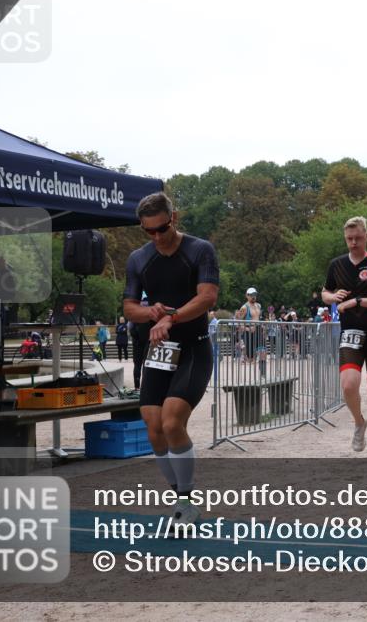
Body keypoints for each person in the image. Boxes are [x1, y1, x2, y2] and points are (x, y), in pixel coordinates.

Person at [123, 192, 219, 528]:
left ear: (173, 218)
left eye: (162, 229)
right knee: (152, 428)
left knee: (171, 422)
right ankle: (180, 496)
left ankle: (187, 500)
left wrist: (170, 318)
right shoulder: (138, 258)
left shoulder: (199, 249)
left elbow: (207, 297)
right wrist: (150, 312)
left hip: (192, 346)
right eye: (149, 231)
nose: (157, 237)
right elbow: (129, 308)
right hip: (159, 351)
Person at [322, 216, 367, 458]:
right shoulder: (336, 265)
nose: (353, 243)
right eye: (349, 239)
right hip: (350, 332)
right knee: (348, 384)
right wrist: (333, 298)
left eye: (358, 238)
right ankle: (359, 422)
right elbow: (325, 292)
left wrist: (357, 301)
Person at [240, 287, 268, 378]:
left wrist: (263, 326)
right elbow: (238, 322)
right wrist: (247, 329)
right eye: (251, 295)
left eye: (255, 294)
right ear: (246, 295)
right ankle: (251, 379)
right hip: (249, 333)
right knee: (251, 358)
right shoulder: (244, 307)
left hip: (258, 332)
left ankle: (263, 375)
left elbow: (259, 318)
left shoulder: (258, 305)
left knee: (263, 353)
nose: (253, 297)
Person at [131, 293, 151, 390]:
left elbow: (131, 329)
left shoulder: (135, 316)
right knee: (145, 365)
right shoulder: (150, 315)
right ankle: (144, 386)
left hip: (138, 343)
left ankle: (137, 386)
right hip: (147, 342)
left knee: (138, 365)